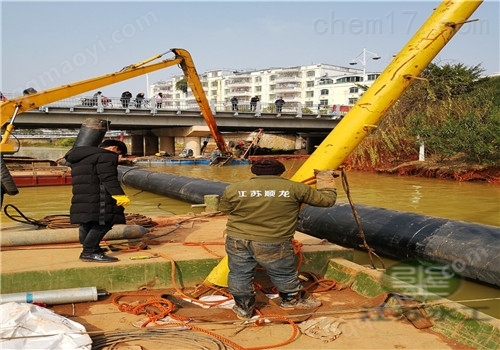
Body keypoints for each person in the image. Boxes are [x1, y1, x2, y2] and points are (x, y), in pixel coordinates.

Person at [218, 158, 338, 319]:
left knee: (239, 273)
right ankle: (291, 302)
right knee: (283, 274)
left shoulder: (233, 189)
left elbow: (225, 209)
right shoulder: (296, 188)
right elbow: (327, 201)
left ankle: (244, 308)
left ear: (254, 171)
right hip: (273, 240)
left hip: (237, 238)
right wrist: (325, 179)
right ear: (281, 172)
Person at [64, 139, 131, 263]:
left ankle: (89, 246)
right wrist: (119, 195)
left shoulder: (80, 157)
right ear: (113, 148)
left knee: (88, 221)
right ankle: (89, 252)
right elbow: (108, 177)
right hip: (99, 195)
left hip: (82, 194)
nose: (119, 157)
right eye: (120, 153)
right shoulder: (107, 156)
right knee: (105, 221)